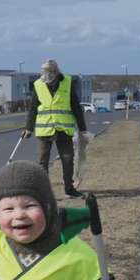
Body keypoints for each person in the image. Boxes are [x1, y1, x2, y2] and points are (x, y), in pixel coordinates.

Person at [24, 59, 88, 198]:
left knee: (68, 159)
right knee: (42, 162)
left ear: (55, 73)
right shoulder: (38, 84)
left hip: (63, 129)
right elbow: (33, 108)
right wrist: (28, 128)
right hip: (44, 128)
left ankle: (69, 188)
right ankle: (44, 192)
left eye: (50, 76)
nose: (47, 80)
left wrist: (82, 128)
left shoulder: (67, 82)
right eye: (44, 75)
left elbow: (76, 106)